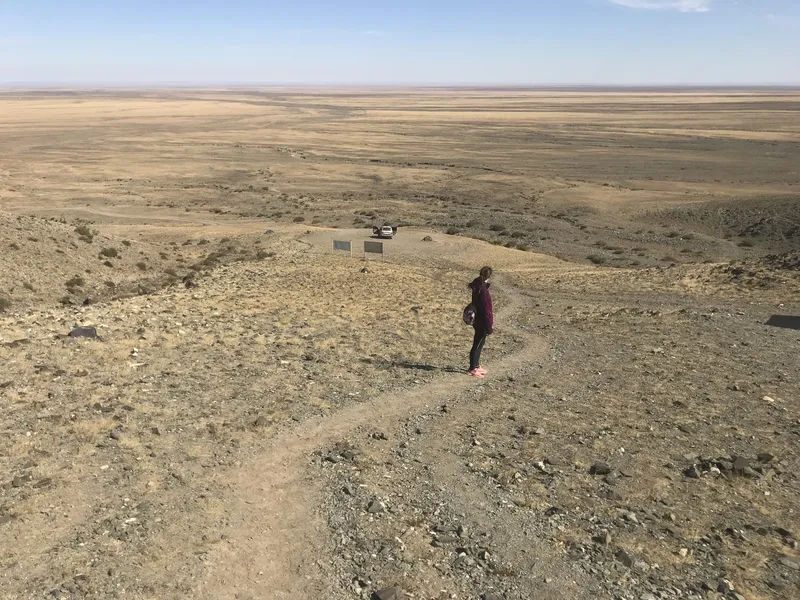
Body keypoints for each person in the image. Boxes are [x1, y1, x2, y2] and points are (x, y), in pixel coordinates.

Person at [468, 266, 493, 378]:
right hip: (482, 320)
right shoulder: (482, 290)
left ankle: (476, 365)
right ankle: (473, 368)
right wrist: (488, 326)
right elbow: (485, 309)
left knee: (479, 343)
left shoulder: (477, 286)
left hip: (478, 319)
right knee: (477, 344)